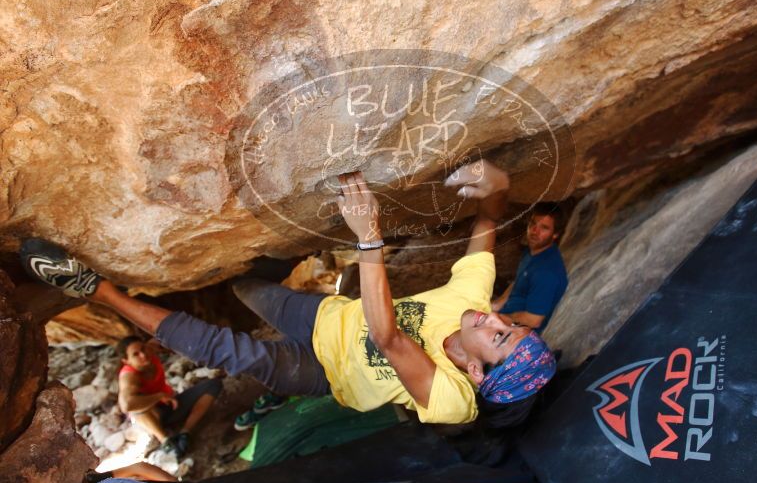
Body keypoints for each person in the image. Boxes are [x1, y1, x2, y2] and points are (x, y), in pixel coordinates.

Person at [21, 159, 556, 426]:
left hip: (324, 373)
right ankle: (227, 277)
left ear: (479, 372)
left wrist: (367, 235)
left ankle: (102, 292)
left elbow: (390, 340)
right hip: (325, 316)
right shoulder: (470, 307)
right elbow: (488, 221)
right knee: (246, 287)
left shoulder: (455, 402)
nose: (492, 320)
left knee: (227, 351)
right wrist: (501, 186)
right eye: (507, 325)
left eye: (499, 338)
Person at [116, 336, 222, 456]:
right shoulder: (129, 376)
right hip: (154, 418)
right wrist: (158, 396)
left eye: (143, 349)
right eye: (136, 354)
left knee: (213, 385)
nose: (143, 355)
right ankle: (166, 441)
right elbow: (126, 405)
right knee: (136, 409)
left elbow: (166, 337)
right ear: (126, 361)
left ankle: (185, 432)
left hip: (172, 404)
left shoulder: (150, 350)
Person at [491, 202, 568, 333]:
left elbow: (533, 320)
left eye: (544, 228)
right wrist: (496, 304)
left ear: (555, 234)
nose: (534, 231)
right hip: (505, 316)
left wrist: (496, 318)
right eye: (533, 224)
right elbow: (519, 281)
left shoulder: (547, 272)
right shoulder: (533, 251)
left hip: (515, 334)